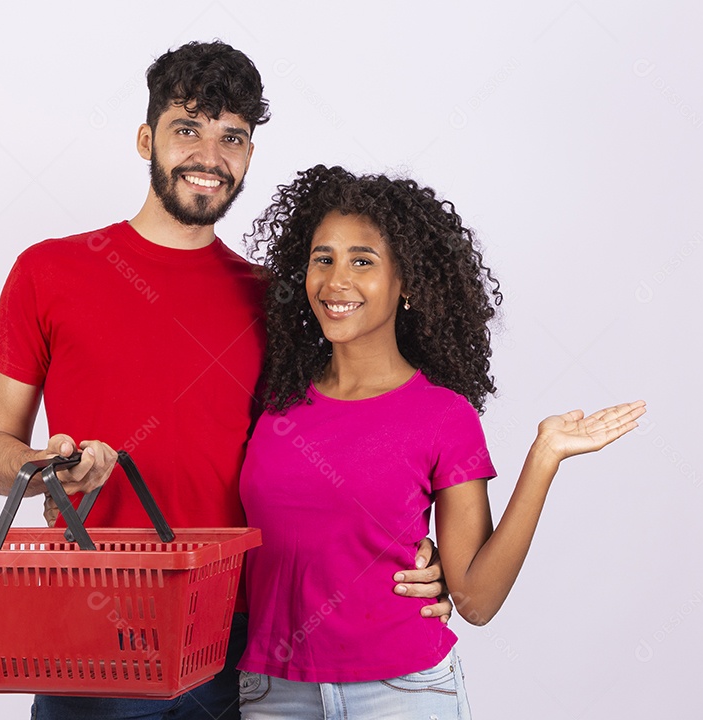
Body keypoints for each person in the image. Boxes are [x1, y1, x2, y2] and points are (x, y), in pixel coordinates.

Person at [0, 44, 451, 720]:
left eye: (233, 136)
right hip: (93, 618)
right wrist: (45, 469)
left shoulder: (278, 301)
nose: (210, 154)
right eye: (187, 128)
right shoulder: (48, 273)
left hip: (238, 637)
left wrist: (410, 545)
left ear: (250, 154)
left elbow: (340, 433)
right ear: (147, 139)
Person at [236, 165, 646, 719]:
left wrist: (543, 457)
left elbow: (475, 600)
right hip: (272, 692)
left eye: (363, 261)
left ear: (407, 284)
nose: (336, 280)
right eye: (322, 258)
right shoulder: (274, 401)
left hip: (402, 693)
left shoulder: (443, 416)